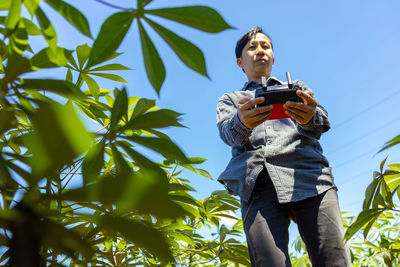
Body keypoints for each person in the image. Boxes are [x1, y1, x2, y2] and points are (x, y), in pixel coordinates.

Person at [216, 27, 351, 266]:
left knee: (334, 259)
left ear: (273, 57)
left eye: (265, 46)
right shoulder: (232, 100)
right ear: (240, 61)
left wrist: (310, 115)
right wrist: (241, 121)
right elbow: (227, 134)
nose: (260, 51)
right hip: (258, 182)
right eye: (252, 47)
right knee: (269, 262)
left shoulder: (296, 87)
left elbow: (322, 122)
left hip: (310, 177)